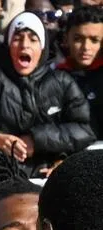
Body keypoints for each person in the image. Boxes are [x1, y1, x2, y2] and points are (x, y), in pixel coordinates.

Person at [0, 11, 94, 177]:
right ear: (8, 45)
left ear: (42, 47)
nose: (25, 45)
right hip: (1, 178)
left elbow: (85, 129)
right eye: (17, 38)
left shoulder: (62, 81)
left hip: (47, 179)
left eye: (33, 39)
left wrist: (37, 140)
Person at [58, 6, 103, 137]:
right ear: (66, 39)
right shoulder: (54, 77)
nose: (86, 47)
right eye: (78, 39)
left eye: (94, 40)